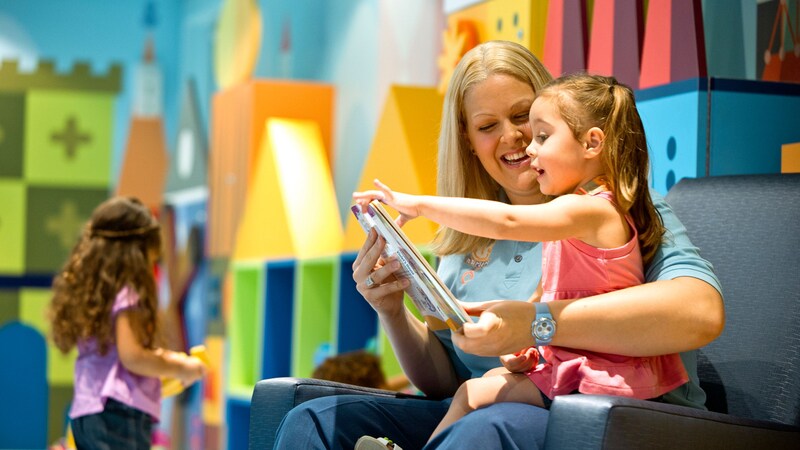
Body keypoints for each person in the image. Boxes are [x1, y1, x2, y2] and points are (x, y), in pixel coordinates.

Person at [272, 40, 724, 450]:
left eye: (526, 116)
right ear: (468, 141)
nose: (513, 137)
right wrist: (391, 309)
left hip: (612, 414)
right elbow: (444, 380)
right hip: (497, 405)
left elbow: (699, 313)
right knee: (313, 420)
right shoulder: (464, 240)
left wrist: (536, 324)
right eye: (488, 125)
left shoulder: (620, 207)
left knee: (486, 427)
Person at [353, 73, 690, 444]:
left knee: (472, 395)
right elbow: (545, 303)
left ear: (592, 143)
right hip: (581, 363)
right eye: (487, 125)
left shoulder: (590, 211)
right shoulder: (582, 216)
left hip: (604, 374)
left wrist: (417, 204)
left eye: (541, 135)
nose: (529, 147)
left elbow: (507, 221)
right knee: (483, 386)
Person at [48, 197, 206, 449]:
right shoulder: (128, 294)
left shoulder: (97, 296)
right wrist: (181, 365)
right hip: (119, 414)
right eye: (150, 259)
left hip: (85, 412)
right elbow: (132, 356)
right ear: (135, 253)